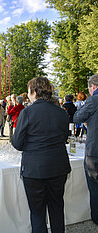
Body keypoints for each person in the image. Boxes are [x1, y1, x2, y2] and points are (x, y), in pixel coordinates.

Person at [12, 77, 71, 233]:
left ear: (34, 92)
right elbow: (64, 137)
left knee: (37, 212)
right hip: (58, 167)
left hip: (34, 169)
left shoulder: (27, 112)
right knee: (57, 207)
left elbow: (17, 143)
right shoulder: (61, 112)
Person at [73, 74, 98, 225]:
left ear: (93, 87)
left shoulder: (93, 99)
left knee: (94, 187)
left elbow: (77, 118)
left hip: (95, 152)